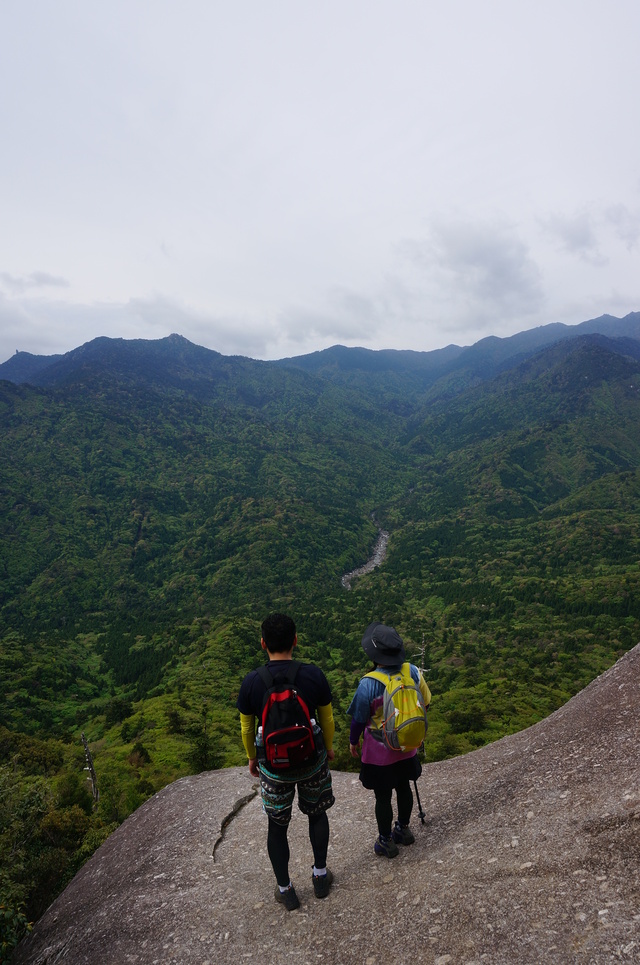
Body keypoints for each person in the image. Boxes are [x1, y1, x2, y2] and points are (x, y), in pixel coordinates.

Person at [237, 613, 336, 910]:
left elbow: (246, 728)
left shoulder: (252, 682)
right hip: (311, 761)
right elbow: (327, 718)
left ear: (263, 643)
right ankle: (320, 877)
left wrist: (252, 758)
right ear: (295, 640)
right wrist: (328, 749)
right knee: (317, 814)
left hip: (274, 767)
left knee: (276, 826)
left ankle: (286, 890)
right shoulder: (313, 674)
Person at [347, 621, 431, 858]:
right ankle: (403, 830)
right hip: (408, 746)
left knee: (382, 796)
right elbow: (426, 702)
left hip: (379, 752)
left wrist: (353, 742)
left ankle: (385, 841)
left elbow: (358, 719)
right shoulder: (413, 671)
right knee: (404, 787)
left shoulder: (368, 683)